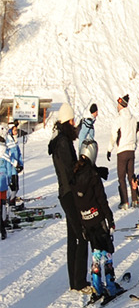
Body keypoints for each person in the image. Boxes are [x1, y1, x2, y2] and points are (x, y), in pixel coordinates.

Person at [70, 135, 123, 302]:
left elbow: (76, 203)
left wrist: (82, 223)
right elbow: (101, 200)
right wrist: (110, 219)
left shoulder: (75, 174)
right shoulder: (93, 176)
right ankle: (111, 286)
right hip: (98, 220)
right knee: (106, 250)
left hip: (86, 221)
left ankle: (97, 287)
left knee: (95, 253)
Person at [48, 104, 90, 293]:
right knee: (82, 235)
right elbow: (69, 170)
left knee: (73, 236)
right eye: (72, 121)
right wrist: (82, 165)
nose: (74, 125)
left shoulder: (60, 140)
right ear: (67, 122)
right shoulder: (63, 142)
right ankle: (79, 281)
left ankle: (75, 281)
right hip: (69, 193)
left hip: (66, 192)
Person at [111, 95, 137, 208]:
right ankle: (135, 199)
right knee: (131, 175)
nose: (117, 106)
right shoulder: (133, 118)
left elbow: (113, 134)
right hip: (131, 150)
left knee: (121, 177)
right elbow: (137, 134)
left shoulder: (119, 119)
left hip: (122, 150)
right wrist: (134, 145)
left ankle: (125, 201)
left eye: (118, 104)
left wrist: (109, 148)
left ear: (121, 105)